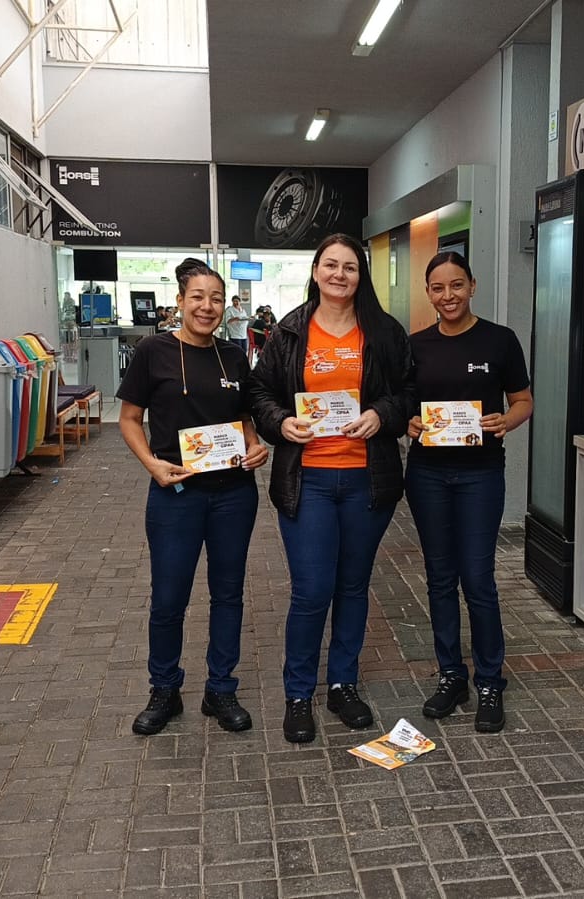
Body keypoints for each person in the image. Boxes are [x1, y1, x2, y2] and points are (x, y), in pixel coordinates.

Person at [250, 234, 414, 744]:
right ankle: (298, 693)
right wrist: (281, 423)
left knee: (352, 586)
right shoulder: (289, 331)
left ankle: (343, 683)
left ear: (361, 275)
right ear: (316, 271)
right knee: (312, 590)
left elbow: (408, 392)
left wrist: (381, 414)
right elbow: (260, 391)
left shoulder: (384, 331)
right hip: (308, 480)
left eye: (350, 267)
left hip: (367, 478)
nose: (340, 275)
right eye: (331, 265)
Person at [116, 258, 270, 737]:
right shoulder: (153, 351)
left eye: (216, 298)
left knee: (228, 594)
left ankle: (220, 688)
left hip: (233, 495)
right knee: (168, 598)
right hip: (176, 495)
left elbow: (244, 417)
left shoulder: (234, 356)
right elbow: (128, 419)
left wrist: (254, 445)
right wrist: (151, 464)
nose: (207, 306)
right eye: (198, 297)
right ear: (180, 301)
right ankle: (164, 689)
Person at [405, 251, 533, 733]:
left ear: (472, 286)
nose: (448, 296)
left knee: (478, 579)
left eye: (456, 285)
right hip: (427, 475)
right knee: (440, 578)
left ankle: (490, 680)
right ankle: (451, 676)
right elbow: (403, 406)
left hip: (480, 474)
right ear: (428, 293)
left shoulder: (500, 340)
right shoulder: (415, 346)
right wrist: (408, 422)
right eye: (438, 288)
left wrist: (507, 420)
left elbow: (523, 400)